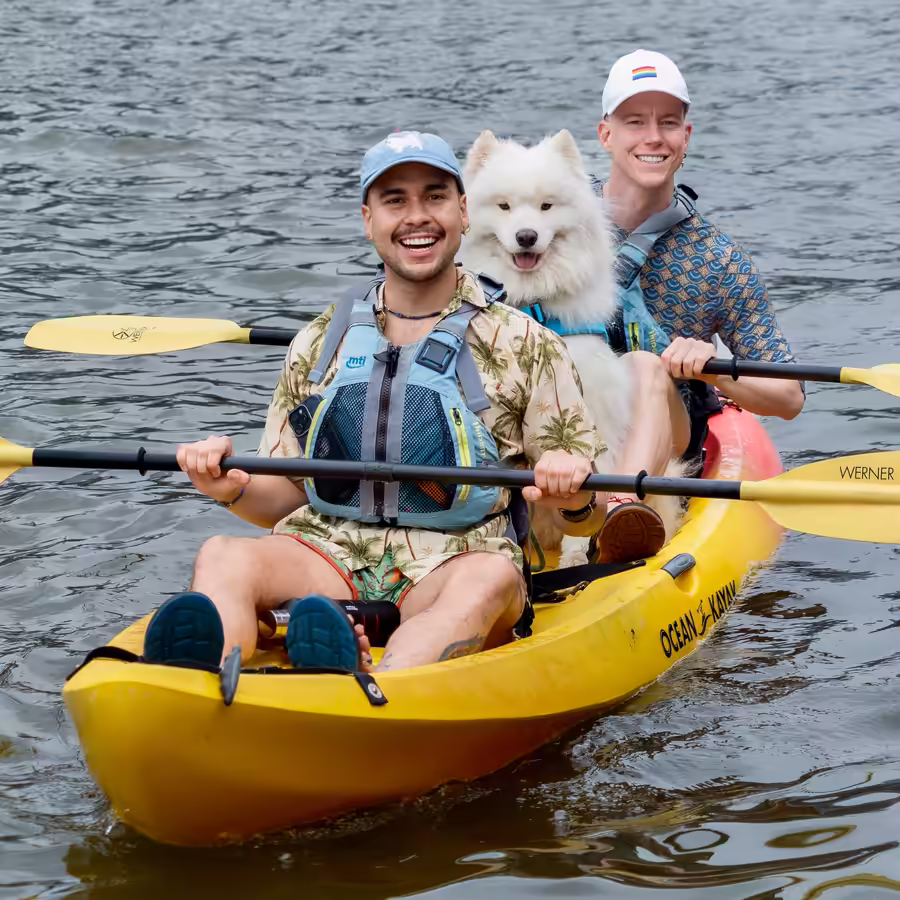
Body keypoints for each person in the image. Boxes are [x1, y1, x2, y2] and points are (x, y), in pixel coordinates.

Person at [141, 131, 608, 675]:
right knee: (222, 554)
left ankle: (379, 683)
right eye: (395, 201)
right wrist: (228, 487)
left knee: (489, 580)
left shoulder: (527, 344)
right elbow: (278, 498)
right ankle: (212, 678)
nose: (417, 217)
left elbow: (586, 520)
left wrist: (570, 492)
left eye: (434, 197)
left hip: (456, 564)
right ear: (369, 219)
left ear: (463, 212)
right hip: (326, 553)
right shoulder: (320, 342)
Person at [589, 48, 804, 560]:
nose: (653, 137)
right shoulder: (556, 219)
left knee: (644, 368)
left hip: (665, 429)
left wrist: (713, 372)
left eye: (668, 122)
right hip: (564, 410)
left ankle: (622, 510)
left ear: (686, 137)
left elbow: (789, 396)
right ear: (606, 134)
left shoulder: (719, 259)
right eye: (634, 121)